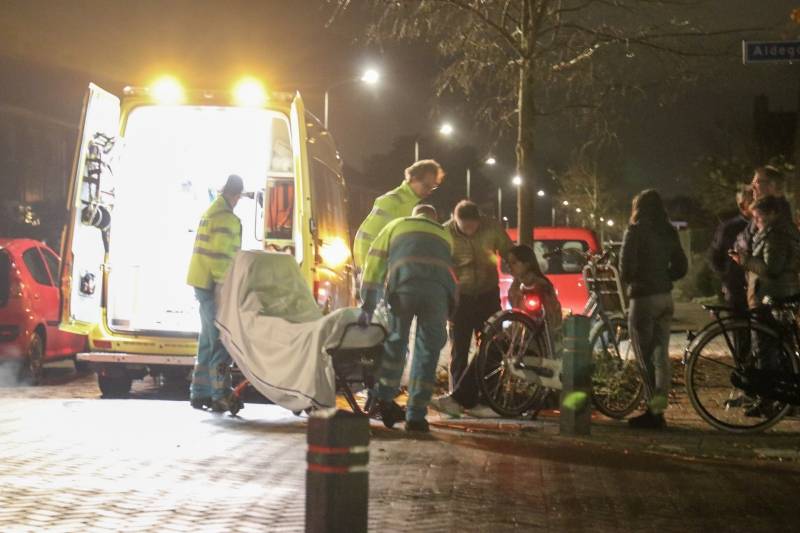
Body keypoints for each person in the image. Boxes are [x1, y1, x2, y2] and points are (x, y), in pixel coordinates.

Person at [359, 204, 457, 433]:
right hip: (437, 293)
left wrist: (368, 304)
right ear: (434, 218)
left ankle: (383, 401)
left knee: (396, 343)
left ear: (414, 214)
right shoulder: (445, 234)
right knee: (428, 352)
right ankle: (416, 416)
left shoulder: (396, 225)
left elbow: (374, 263)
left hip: (404, 287)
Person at [429, 201, 513, 416]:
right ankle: (457, 398)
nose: (469, 231)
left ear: (479, 220)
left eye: (473, 226)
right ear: (455, 220)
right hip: (461, 298)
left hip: (487, 294)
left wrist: (518, 275)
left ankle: (488, 399)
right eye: (464, 227)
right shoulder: (445, 233)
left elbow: (509, 253)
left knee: (493, 346)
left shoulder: (492, 227)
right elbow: (440, 266)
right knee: (460, 348)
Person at [620, 189, 688, 429]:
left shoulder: (635, 231)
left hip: (643, 299)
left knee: (643, 357)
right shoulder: (669, 231)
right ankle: (659, 409)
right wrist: (664, 277)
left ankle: (652, 411)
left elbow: (625, 269)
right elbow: (681, 266)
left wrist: (637, 280)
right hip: (665, 298)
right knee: (662, 358)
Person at [186, 175, 244, 412]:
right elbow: (222, 258)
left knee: (208, 341)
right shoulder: (227, 219)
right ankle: (220, 393)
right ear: (236, 195)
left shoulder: (210, 212)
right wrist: (228, 288)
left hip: (202, 283)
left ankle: (199, 393)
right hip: (214, 286)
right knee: (221, 340)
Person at [353, 159, 445, 270]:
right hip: (373, 266)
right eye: (426, 186)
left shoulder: (405, 202)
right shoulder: (395, 203)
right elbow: (372, 237)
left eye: (432, 187)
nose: (429, 191)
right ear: (414, 178)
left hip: (375, 265)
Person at [736, 166, 794, 309]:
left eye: (757, 182)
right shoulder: (763, 211)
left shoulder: (774, 216)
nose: (752, 186)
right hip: (762, 291)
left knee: (767, 329)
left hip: (771, 294)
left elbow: (772, 265)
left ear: (773, 185)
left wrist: (744, 258)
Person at [709, 186, 753, 315]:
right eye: (752, 200)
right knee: (739, 327)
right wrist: (727, 279)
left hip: (759, 288)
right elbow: (715, 256)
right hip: (737, 287)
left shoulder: (763, 224)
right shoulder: (728, 228)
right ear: (742, 205)